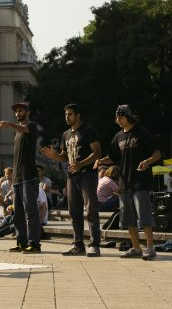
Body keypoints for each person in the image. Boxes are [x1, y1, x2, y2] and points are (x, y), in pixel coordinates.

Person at [94, 104, 161, 261]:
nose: (117, 119)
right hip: (124, 182)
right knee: (128, 218)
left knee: (144, 216)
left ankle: (150, 248)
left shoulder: (142, 133)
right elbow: (113, 156)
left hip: (141, 182)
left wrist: (147, 161)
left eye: (120, 116)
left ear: (128, 116)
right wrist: (101, 160)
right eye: (116, 116)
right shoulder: (118, 136)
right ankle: (136, 247)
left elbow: (157, 153)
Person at [41, 103, 101, 257]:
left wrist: (81, 163)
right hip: (71, 177)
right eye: (65, 114)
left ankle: (94, 244)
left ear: (78, 115)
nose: (66, 117)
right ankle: (78, 245)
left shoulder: (88, 130)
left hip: (87, 174)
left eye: (70, 114)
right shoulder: (66, 134)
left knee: (91, 210)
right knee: (74, 212)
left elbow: (97, 153)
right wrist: (52, 155)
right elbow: (64, 156)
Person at [0, 101, 41, 254]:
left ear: (27, 112)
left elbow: (24, 128)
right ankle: (21, 242)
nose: (18, 113)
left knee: (31, 211)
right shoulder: (17, 133)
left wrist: (9, 124)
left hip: (29, 176)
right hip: (17, 178)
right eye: (16, 111)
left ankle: (34, 244)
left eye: (21, 110)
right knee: (18, 213)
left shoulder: (31, 126)